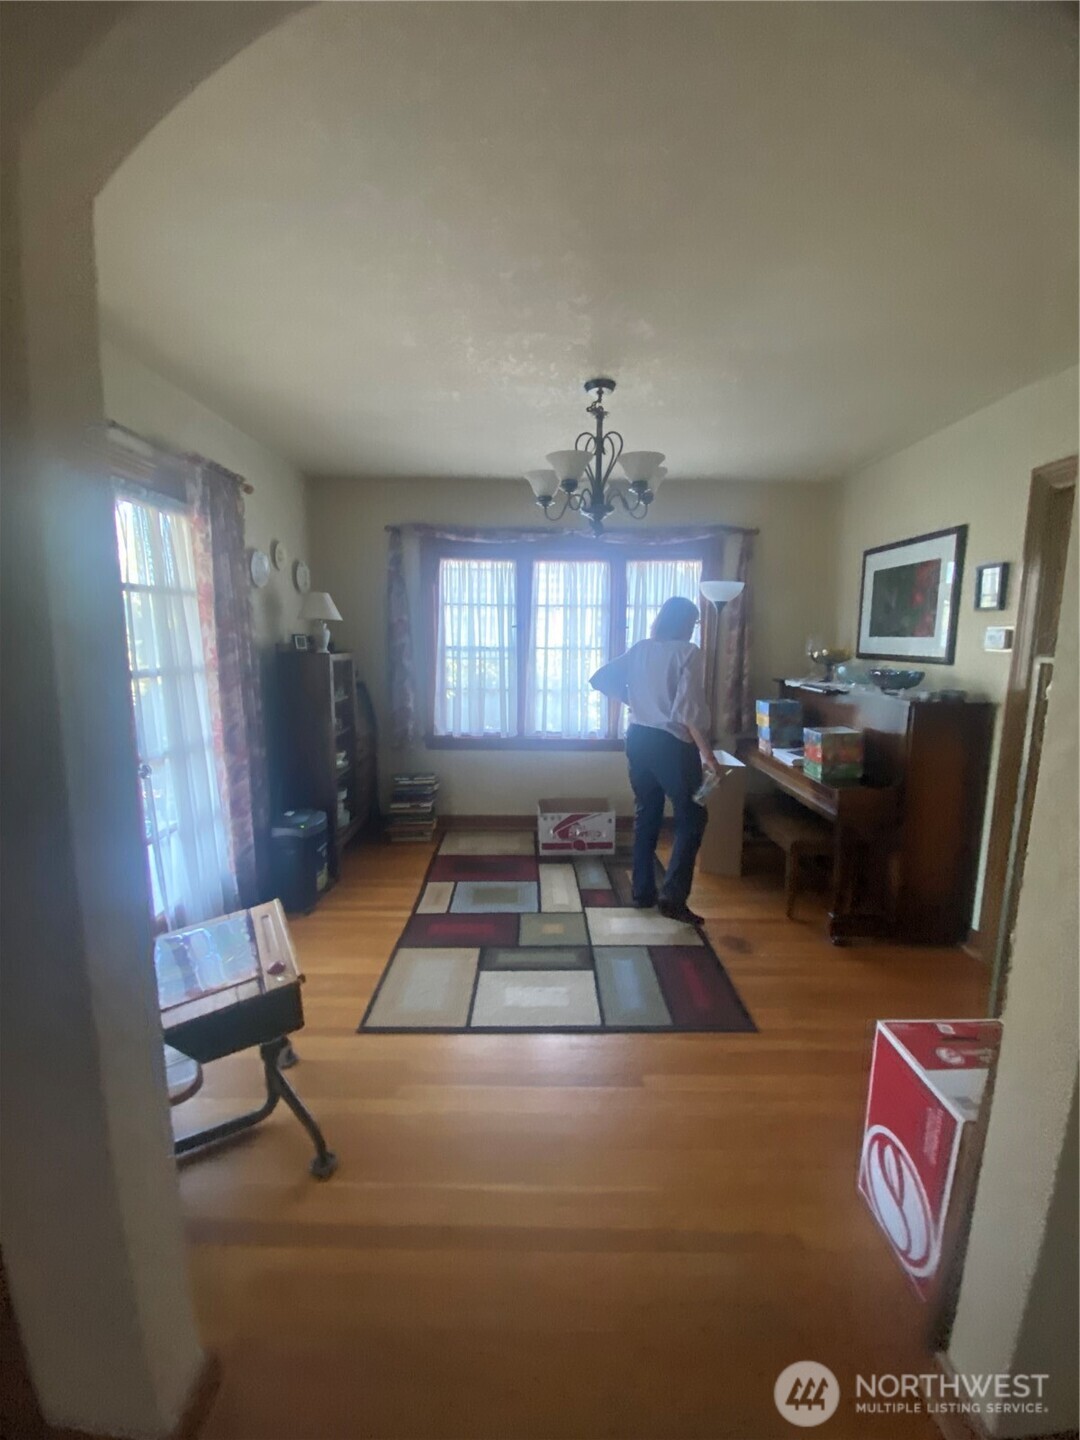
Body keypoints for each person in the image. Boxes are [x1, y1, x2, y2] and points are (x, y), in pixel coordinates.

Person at [589, 596, 722, 925]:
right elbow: (687, 711)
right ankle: (673, 899)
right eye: (692, 624)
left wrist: (631, 699)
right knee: (692, 817)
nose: (693, 630)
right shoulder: (688, 653)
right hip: (671, 745)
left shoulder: (641, 648)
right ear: (685, 624)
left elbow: (601, 678)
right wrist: (708, 755)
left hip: (637, 738)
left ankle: (643, 892)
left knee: (647, 812)